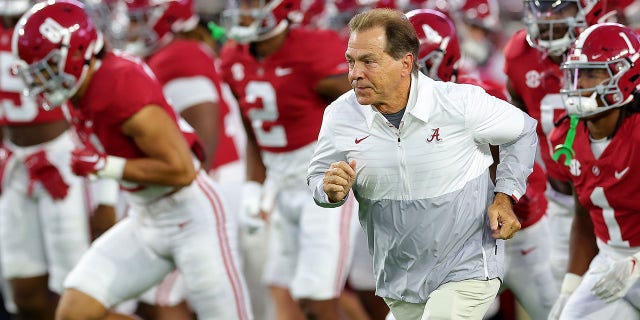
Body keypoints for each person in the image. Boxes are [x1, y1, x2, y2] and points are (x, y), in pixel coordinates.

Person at [11, 0, 252, 319]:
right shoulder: (82, 86)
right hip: (145, 216)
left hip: (192, 216)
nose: (40, 82)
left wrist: (104, 167)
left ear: (74, 54)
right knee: (74, 311)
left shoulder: (119, 83)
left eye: (46, 69)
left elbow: (182, 171)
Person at [307, 8, 538, 320]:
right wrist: (328, 190)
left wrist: (506, 195)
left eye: (368, 62)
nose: (353, 74)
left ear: (406, 63)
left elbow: (522, 130)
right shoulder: (340, 115)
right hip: (399, 277)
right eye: (351, 61)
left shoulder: (460, 102)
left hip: (466, 265)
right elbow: (318, 178)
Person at [405, 8, 558, 319]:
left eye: (412, 64)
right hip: (459, 243)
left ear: (441, 60)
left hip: (519, 231)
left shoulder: (478, 96)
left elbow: (514, 158)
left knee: (555, 312)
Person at [219, 0, 362, 319]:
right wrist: (253, 188)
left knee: (317, 297)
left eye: (251, 3)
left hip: (326, 180)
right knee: (282, 291)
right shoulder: (232, 56)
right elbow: (252, 128)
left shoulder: (314, 49)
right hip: (282, 185)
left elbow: (367, 111)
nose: (243, 11)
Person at [0, 0, 119, 318]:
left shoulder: (62, 27)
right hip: (13, 167)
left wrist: (105, 198)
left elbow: (100, 111)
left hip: (67, 162)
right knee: (23, 291)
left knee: (81, 290)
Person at [502, 0, 628, 288]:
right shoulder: (520, 54)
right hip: (562, 200)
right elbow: (519, 130)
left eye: (560, 9)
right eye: (540, 8)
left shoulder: (619, 52)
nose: (547, 17)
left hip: (621, 198)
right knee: (569, 285)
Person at [547, 23, 640, 320]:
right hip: (609, 260)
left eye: (592, 73)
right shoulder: (566, 137)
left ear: (627, 75)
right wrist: (569, 288)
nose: (580, 84)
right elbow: (584, 215)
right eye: (576, 73)